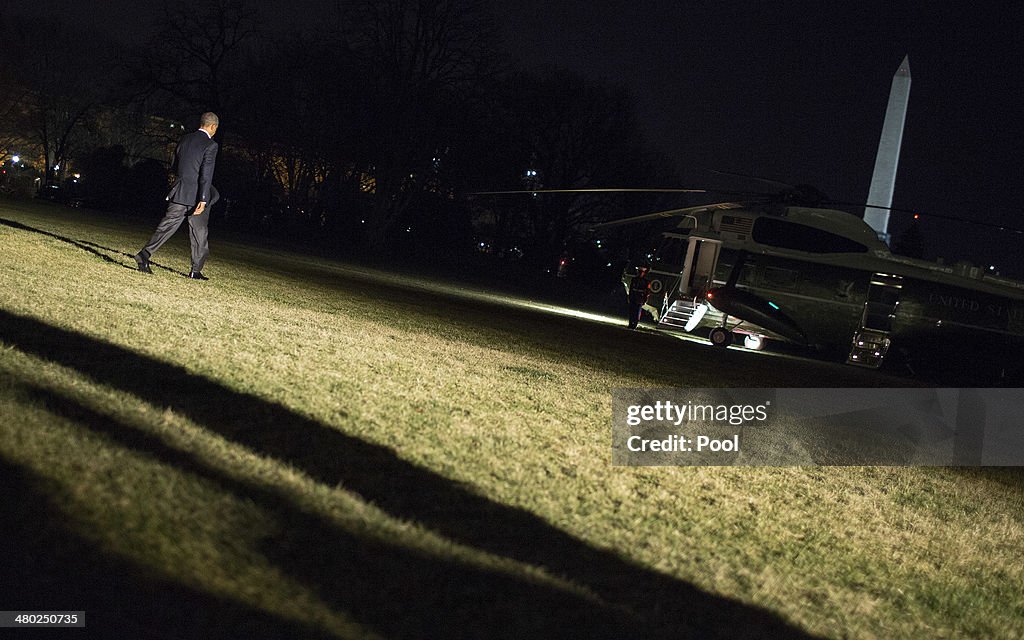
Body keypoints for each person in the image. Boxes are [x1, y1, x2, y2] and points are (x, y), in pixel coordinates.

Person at [135, 112, 220, 280]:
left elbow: (174, 165)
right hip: (196, 196)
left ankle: (144, 254)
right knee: (199, 234)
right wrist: (203, 199)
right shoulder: (211, 145)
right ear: (212, 126)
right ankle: (195, 270)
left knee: (166, 226)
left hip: (180, 191)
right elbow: (206, 175)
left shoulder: (185, 139)